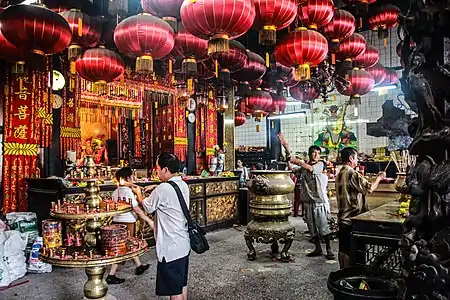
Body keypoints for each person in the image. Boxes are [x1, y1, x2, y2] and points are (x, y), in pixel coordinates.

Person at [142, 153, 190, 300]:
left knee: (174, 292)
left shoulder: (163, 189)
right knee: (181, 285)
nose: (156, 171)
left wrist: (138, 193)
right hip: (183, 244)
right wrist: (156, 187)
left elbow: (148, 207)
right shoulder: (182, 184)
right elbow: (170, 192)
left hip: (170, 250)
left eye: (157, 168)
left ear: (166, 169)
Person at [336, 147, 385, 269]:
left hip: (342, 218)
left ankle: (342, 273)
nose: (357, 161)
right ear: (351, 158)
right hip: (351, 220)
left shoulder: (340, 173)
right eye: (356, 158)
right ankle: (349, 274)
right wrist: (380, 177)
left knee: (343, 249)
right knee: (352, 251)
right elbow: (369, 188)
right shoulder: (352, 173)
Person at [105, 167, 153, 284]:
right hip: (127, 222)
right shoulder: (128, 192)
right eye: (131, 176)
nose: (133, 178)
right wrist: (148, 220)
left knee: (128, 243)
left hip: (117, 221)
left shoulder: (115, 192)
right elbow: (136, 209)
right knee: (122, 246)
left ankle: (139, 266)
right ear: (127, 178)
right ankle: (111, 274)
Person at [290, 145, 335, 260]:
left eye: (317, 153)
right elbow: (294, 169)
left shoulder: (320, 164)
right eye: (313, 152)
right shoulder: (304, 167)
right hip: (307, 200)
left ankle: (329, 249)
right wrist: (288, 154)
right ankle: (318, 248)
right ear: (309, 154)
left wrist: (297, 160)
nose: (315, 154)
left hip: (319, 200)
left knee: (323, 225)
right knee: (311, 226)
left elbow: (310, 169)